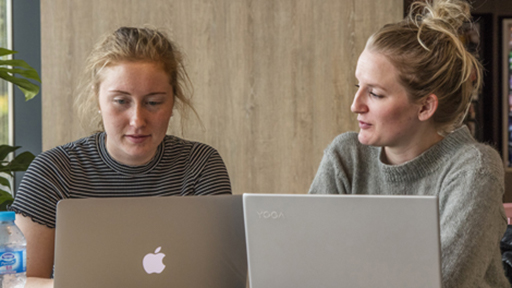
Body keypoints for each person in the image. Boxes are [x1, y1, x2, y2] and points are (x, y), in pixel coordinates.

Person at [9, 27, 232, 288]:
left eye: (153, 102)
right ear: (98, 100)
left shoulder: (201, 165)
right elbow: (19, 282)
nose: (137, 120)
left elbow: (221, 279)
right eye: (121, 101)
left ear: (173, 102)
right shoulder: (54, 170)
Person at [308, 0, 509, 287]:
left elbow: (445, 281)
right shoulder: (346, 156)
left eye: (375, 94)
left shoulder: (475, 169)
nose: (355, 105)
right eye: (358, 87)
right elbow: (307, 261)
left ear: (426, 107)